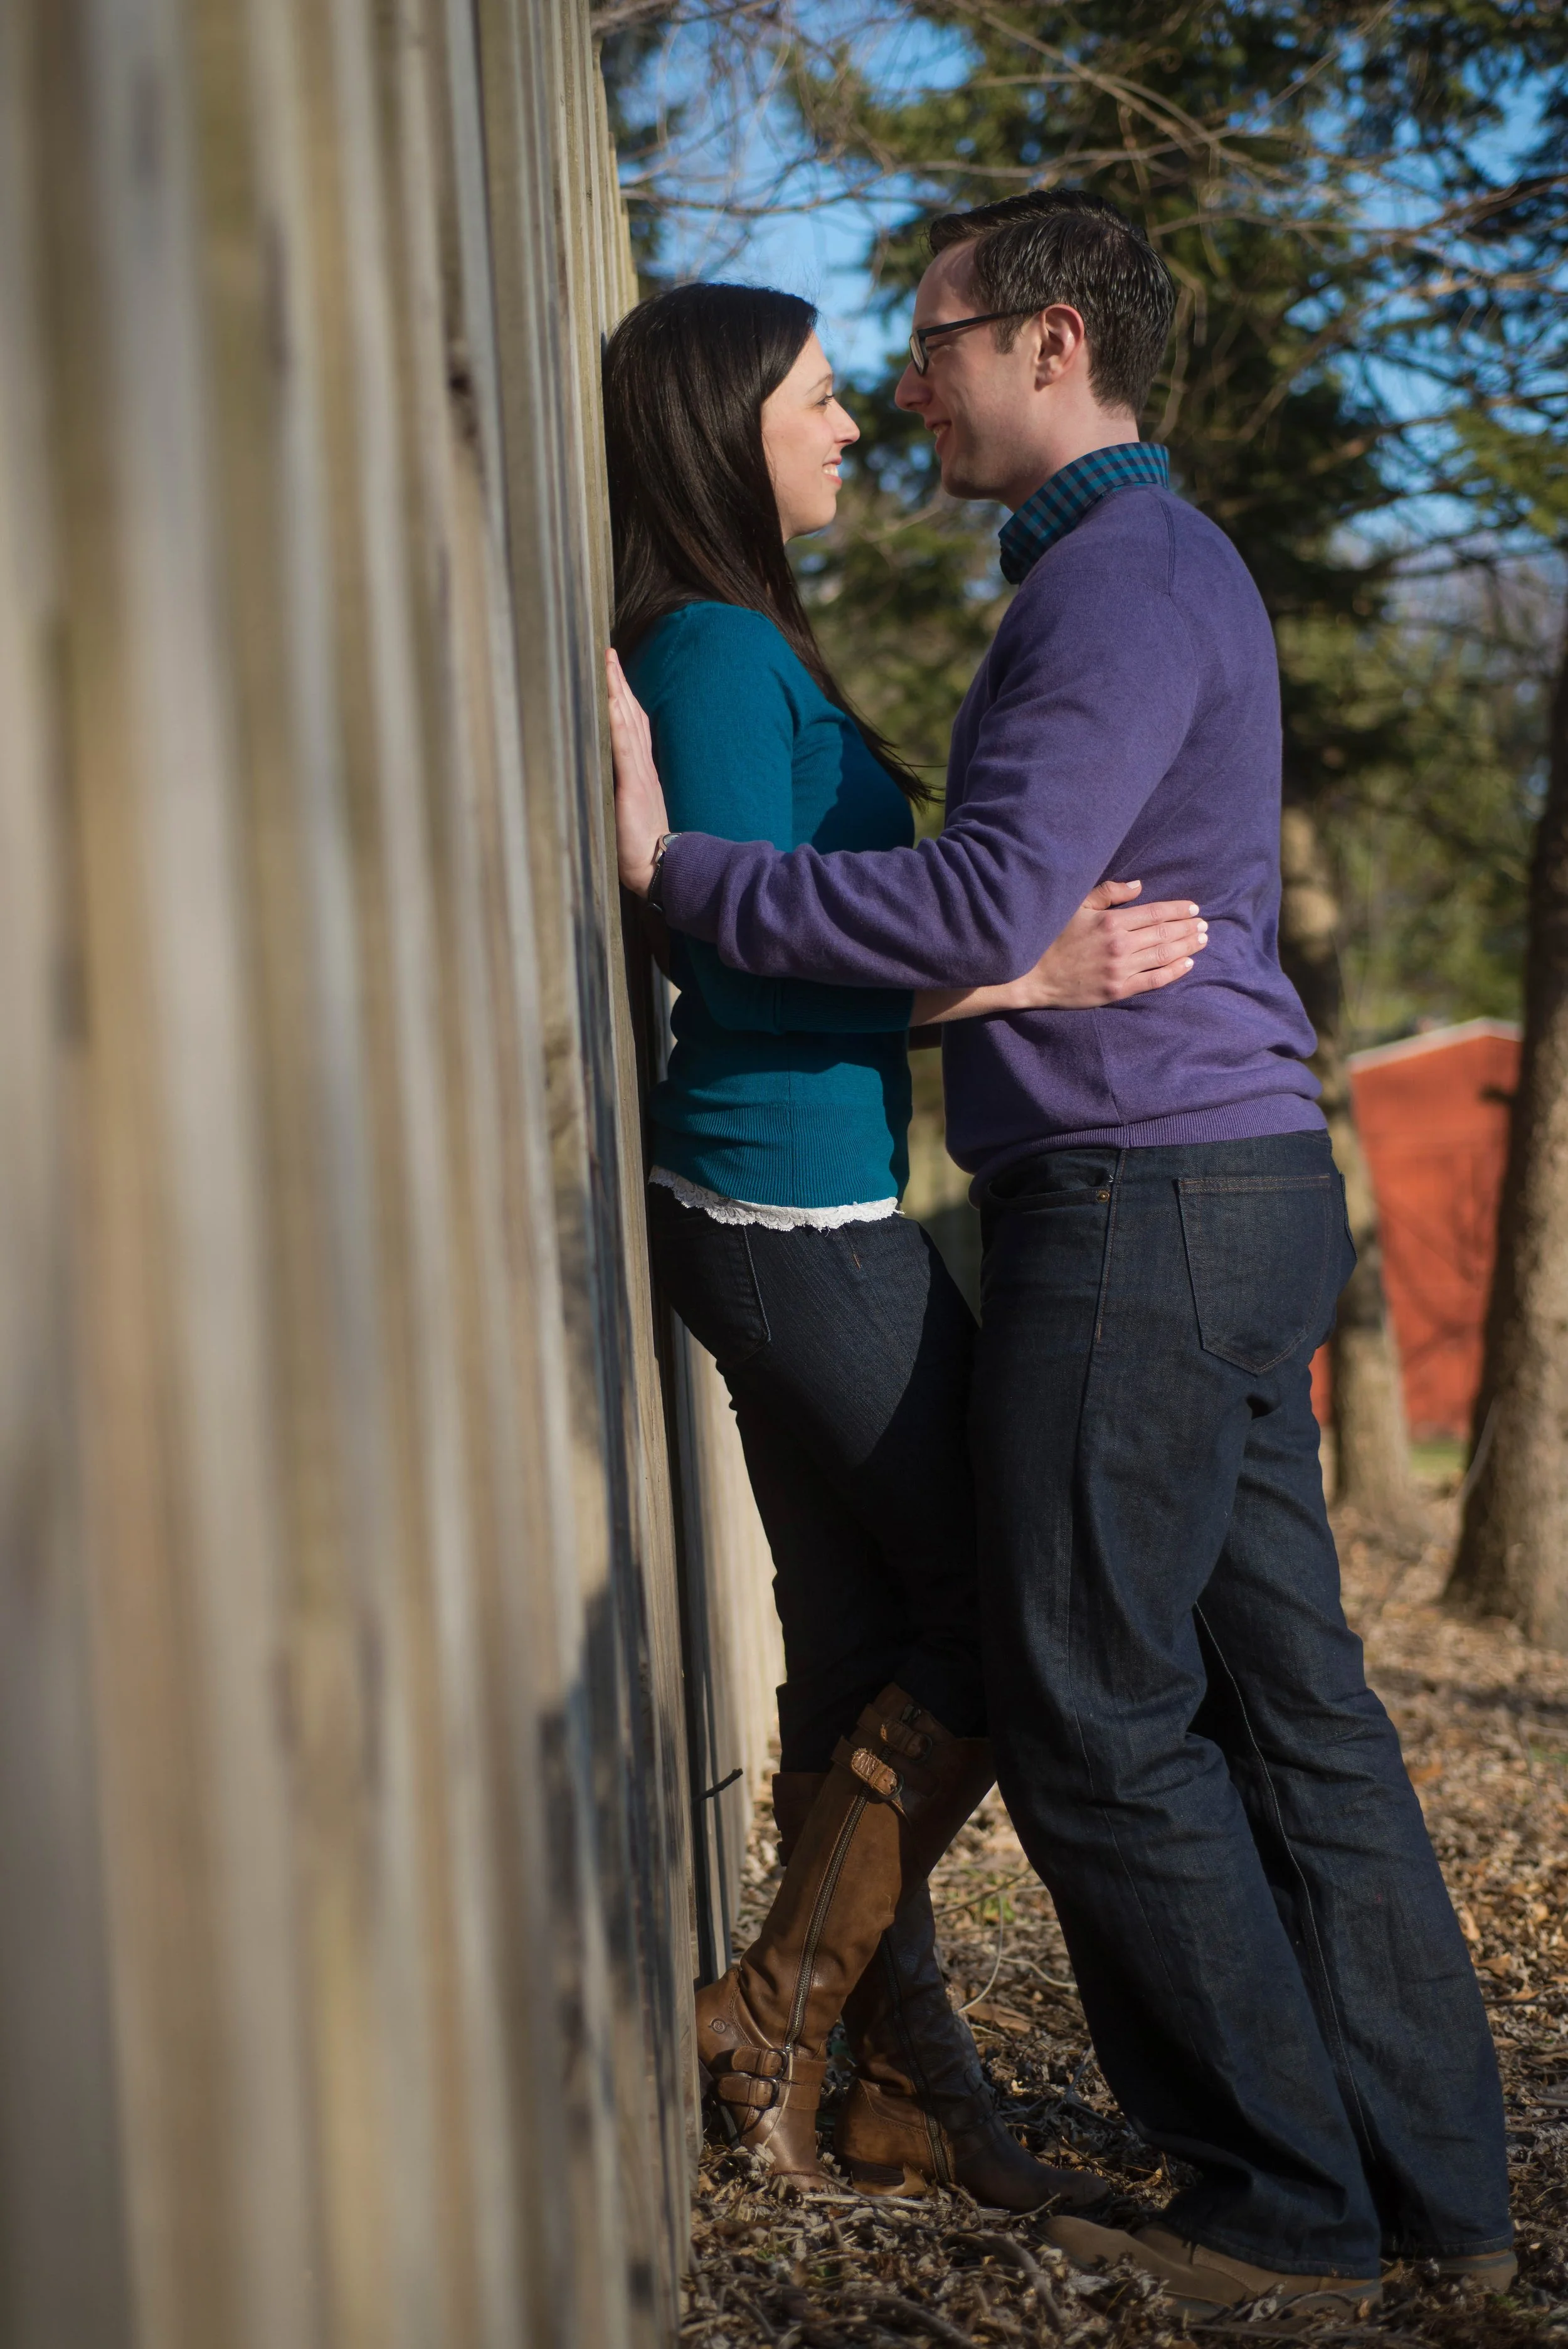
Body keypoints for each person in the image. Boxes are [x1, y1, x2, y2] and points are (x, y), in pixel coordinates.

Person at [608, 196, 1513, 2323]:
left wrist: (673, 872)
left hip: (1145, 1205)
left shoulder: (1111, 588)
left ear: (1046, 344)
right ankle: (1431, 2201)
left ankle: (1280, 2211)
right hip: (1214, 1186)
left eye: (926, 344)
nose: (904, 387)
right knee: (1292, 1711)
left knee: (1098, 1711)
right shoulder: (1142, 573)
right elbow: (999, 917)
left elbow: (972, 903)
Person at [601, 281, 1207, 2207]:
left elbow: (806, 945)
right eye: (813, 395)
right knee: (1000, 1624)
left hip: (797, 1181)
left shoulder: (744, 639)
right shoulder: (704, 649)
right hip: (786, 1193)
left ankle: (899, 2088)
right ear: (720, 427)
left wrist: (1002, 978)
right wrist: (1016, 971)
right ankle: (778, 2009)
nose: (850, 421)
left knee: (872, 1638)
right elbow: (731, 943)